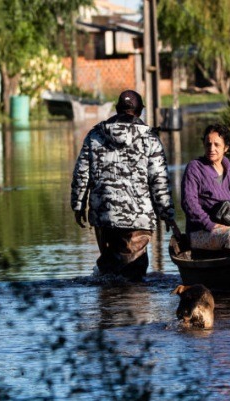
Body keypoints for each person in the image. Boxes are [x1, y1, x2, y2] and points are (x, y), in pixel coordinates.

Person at [71, 89, 178, 281]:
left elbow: (81, 174)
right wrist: (167, 214)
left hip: (104, 216)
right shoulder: (150, 139)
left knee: (109, 272)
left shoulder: (95, 135)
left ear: (117, 108)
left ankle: (109, 308)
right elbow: (159, 181)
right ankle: (130, 307)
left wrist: (78, 206)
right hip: (138, 219)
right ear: (139, 111)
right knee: (133, 275)